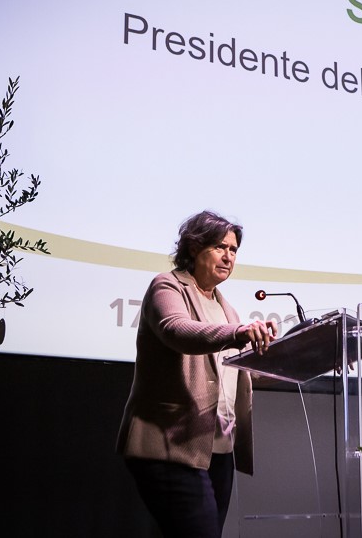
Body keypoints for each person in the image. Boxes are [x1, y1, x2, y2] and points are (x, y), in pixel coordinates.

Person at [116, 211, 277, 538]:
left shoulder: (227, 308)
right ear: (193, 247)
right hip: (170, 444)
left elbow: (240, 372)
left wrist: (310, 359)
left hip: (218, 450)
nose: (228, 257)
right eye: (220, 247)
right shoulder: (168, 286)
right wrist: (238, 332)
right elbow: (176, 330)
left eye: (234, 250)